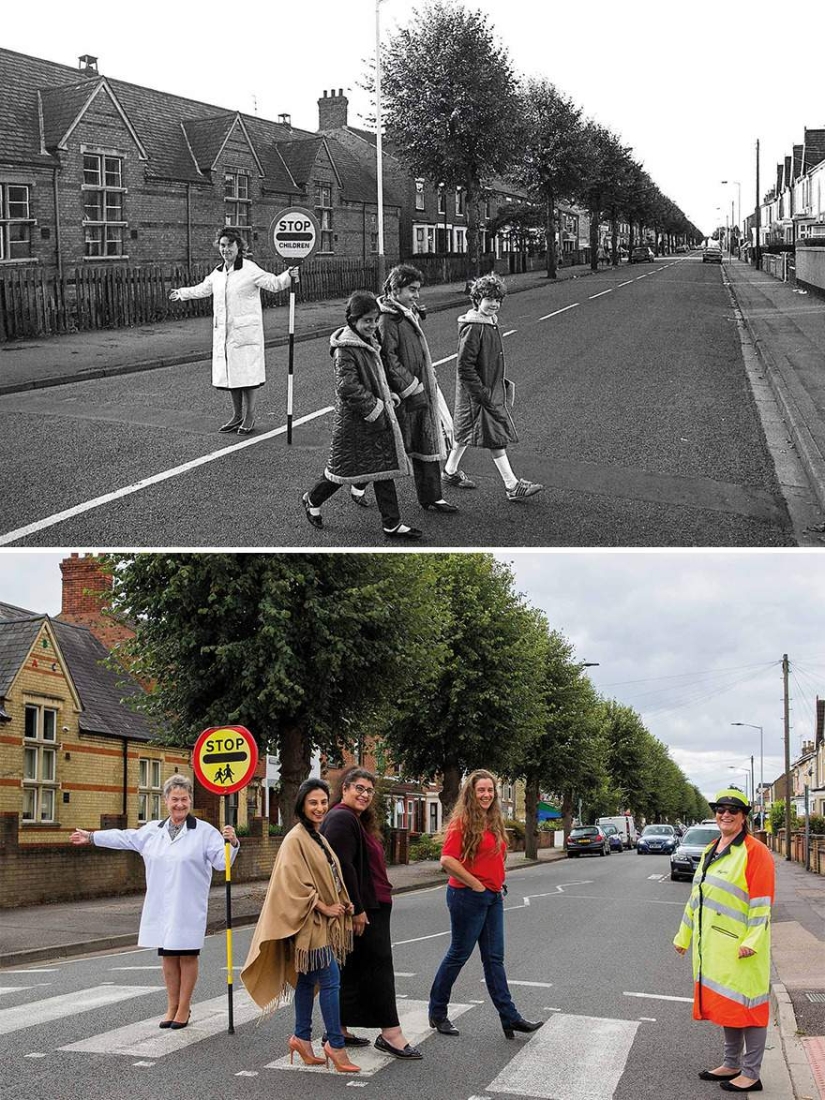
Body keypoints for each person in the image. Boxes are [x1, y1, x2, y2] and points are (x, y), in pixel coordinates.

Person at [70, 774, 238, 1029]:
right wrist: (92, 837)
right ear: (165, 801)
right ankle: (171, 1006)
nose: (179, 804)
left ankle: (184, 1008)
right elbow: (124, 837)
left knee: (187, 956)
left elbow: (222, 863)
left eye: (184, 799)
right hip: (162, 905)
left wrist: (232, 842)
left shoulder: (204, 832)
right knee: (168, 956)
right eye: (174, 799)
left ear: (190, 800)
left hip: (188, 907)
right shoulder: (152, 831)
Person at [241, 778, 359, 1073]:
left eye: (322, 802)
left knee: (307, 980)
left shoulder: (317, 836)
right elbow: (291, 884)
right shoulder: (295, 838)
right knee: (330, 979)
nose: (319, 808)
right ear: (301, 806)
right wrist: (323, 906)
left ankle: (301, 1038)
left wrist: (343, 902)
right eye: (313, 803)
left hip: (319, 923)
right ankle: (335, 1044)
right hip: (308, 926)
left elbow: (331, 875)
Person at [428, 769, 543, 1040]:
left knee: (494, 959)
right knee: (458, 954)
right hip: (467, 897)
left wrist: (495, 883)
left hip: (492, 897)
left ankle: (509, 1017)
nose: (486, 795)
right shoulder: (462, 822)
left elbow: (493, 857)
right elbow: (447, 860)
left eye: (490, 790)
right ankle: (437, 1012)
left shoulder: (493, 821)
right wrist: (476, 884)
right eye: (481, 790)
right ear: (471, 792)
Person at [673, 787, 775, 1094]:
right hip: (715, 948)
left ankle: (751, 1073)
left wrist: (752, 941)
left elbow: (761, 903)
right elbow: (697, 898)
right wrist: (684, 935)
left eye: (733, 810)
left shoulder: (756, 852)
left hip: (743, 948)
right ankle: (731, 1064)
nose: (725, 815)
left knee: (750, 1008)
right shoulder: (711, 849)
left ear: (744, 816)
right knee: (729, 1005)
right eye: (720, 810)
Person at [301, 290, 423, 541]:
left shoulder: (370, 340)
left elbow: (376, 376)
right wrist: (377, 408)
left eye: (375, 319)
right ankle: (312, 498)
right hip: (356, 422)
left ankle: (392, 524)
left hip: (374, 417)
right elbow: (348, 388)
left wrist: (389, 394)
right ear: (352, 320)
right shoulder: (345, 349)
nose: (372, 325)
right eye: (367, 320)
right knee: (342, 471)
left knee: (383, 469)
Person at [320, 768, 423, 1059]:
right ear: (344, 789)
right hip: (367, 907)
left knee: (351, 968)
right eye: (359, 788)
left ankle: (337, 1027)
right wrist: (357, 908)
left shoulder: (354, 820)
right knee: (379, 969)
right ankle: (391, 1034)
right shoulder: (341, 818)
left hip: (370, 904)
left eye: (369, 790)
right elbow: (343, 867)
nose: (364, 794)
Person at [169, 228, 298, 434]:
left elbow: (274, 283)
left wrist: (289, 275)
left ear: (239, 247)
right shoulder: (218, 272)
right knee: (232, 377)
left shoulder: (249, 269)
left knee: (247, 377)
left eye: (230, 245)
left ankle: (250, 416)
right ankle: (236, 415)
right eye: (222, 245)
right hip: (225, 334)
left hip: (245, 333)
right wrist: (182, 293)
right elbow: (203, 288)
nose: (225, 249)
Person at [442, 274, 543, 502]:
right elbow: (465, 367)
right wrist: (483, 394)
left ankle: (449, 471)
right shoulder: (474, 327)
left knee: (465, 431)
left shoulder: (489, 321)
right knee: (496, 436)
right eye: (489, 299)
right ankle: (512, 485)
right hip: (479, 394)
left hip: (484, 391)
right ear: (477, 300)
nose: (494, 304)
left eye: (498, 300)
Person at [376, 264, 456, 514]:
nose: (416, 295)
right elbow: (389, 358)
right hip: (404, 394)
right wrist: (411, 385)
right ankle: (350, 486)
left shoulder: (405, 313)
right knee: (389, 449)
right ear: (395, 289)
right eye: (412, 290)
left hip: (420, 390)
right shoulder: (388, 318)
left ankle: (432, 497)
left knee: (426, 442)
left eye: (418, 290)